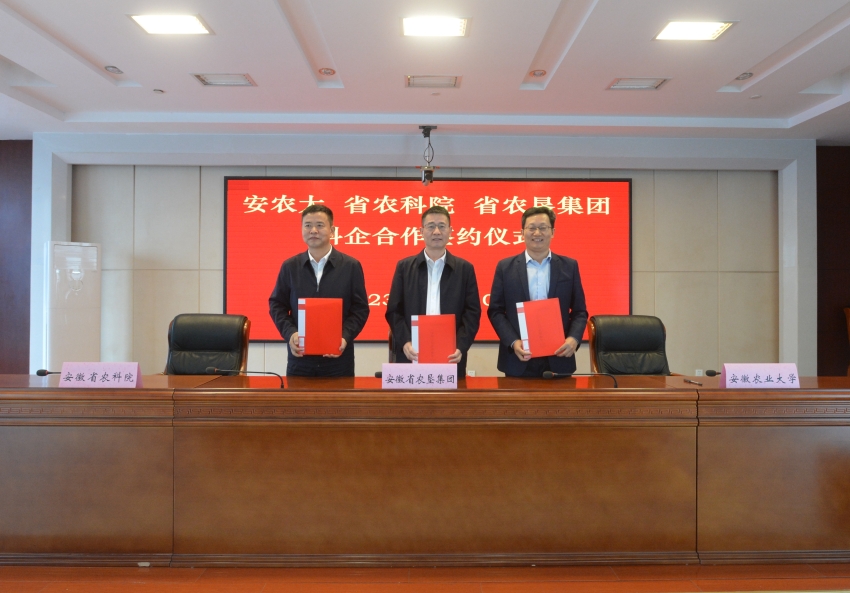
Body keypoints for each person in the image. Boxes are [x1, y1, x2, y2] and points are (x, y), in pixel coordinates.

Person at [269, 204, 369, 376]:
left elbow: (360, 309)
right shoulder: (290, 266)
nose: (313, 230)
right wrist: (290, 333)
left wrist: (344, 337)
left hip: (338, 360)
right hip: (300, 360)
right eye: (307, 225)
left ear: (332, 231)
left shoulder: (350, 266)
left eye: (320, 225)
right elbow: (277, 305)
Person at [487, 206, 588, 378]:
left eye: (543, 228)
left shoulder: (569, 267)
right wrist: (513, 342)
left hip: (559, 356)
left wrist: (573, 339)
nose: (537, 233)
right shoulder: (505, 267)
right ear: (522, 232)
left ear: (552, 232)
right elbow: (495, 311)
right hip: (518, 358)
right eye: (531, 228)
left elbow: (580, 311)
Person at [385, 206, 481, 378]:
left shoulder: (465, 269)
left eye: (442, 226)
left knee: (450, 396)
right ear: (421, 231)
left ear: (450, 231)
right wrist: (405, 342)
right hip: (411, 354)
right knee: (412, 396)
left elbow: (472, 313)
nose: (436, 231)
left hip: (451, 355)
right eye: (431, 226)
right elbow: (394, 311)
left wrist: (460, 346)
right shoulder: (404, 267)